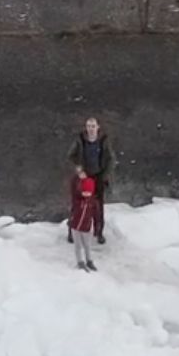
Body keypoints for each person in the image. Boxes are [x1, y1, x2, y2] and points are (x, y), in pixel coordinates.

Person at [66, 116, 114, 244]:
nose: (91, 129)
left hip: (98, 176)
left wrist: (105, 175)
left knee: (98, 207)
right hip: (83, 177)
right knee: (78, 205)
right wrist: (79, 170)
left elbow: (111, 159)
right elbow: (71, 156)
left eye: (93, 126)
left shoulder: (103, 140)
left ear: (98, 127)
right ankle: (73, 231)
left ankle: (99, 232)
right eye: (88, 126)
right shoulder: (80, 140)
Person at [69, 167, 99, 271]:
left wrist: (96, 228)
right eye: (84, 191)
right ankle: (80, 262)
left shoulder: (92, 202)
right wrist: (78, 175)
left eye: (88, 191)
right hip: (75, 224)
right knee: (78, 245)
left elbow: (96, 215)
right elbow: (74, 187)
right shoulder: (77, 199)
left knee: (87, 245)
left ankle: (89, 261)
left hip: (86, 226)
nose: (86, 193)